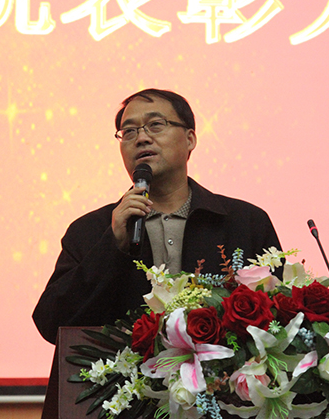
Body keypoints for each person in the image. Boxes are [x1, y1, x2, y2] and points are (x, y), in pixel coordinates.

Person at [32, 89, 281, 344]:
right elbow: (52, 323)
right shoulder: (91, 231)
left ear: (190, 139)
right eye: (129, 131)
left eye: (156, 125)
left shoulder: (245, 222)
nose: (141, 138)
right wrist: (112, 245)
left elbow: (283, 319)